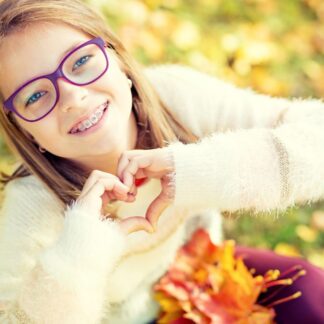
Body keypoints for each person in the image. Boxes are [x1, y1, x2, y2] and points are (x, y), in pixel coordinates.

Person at [0, 0, 323, 323]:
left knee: (308, 292)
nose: (72, 97)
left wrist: (198, 169)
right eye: (35, 96)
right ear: (25, 132)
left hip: (204, 276)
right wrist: (80, 252)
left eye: (82, 60)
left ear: (118, 59)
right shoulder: (32, 205)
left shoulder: (176, 96)